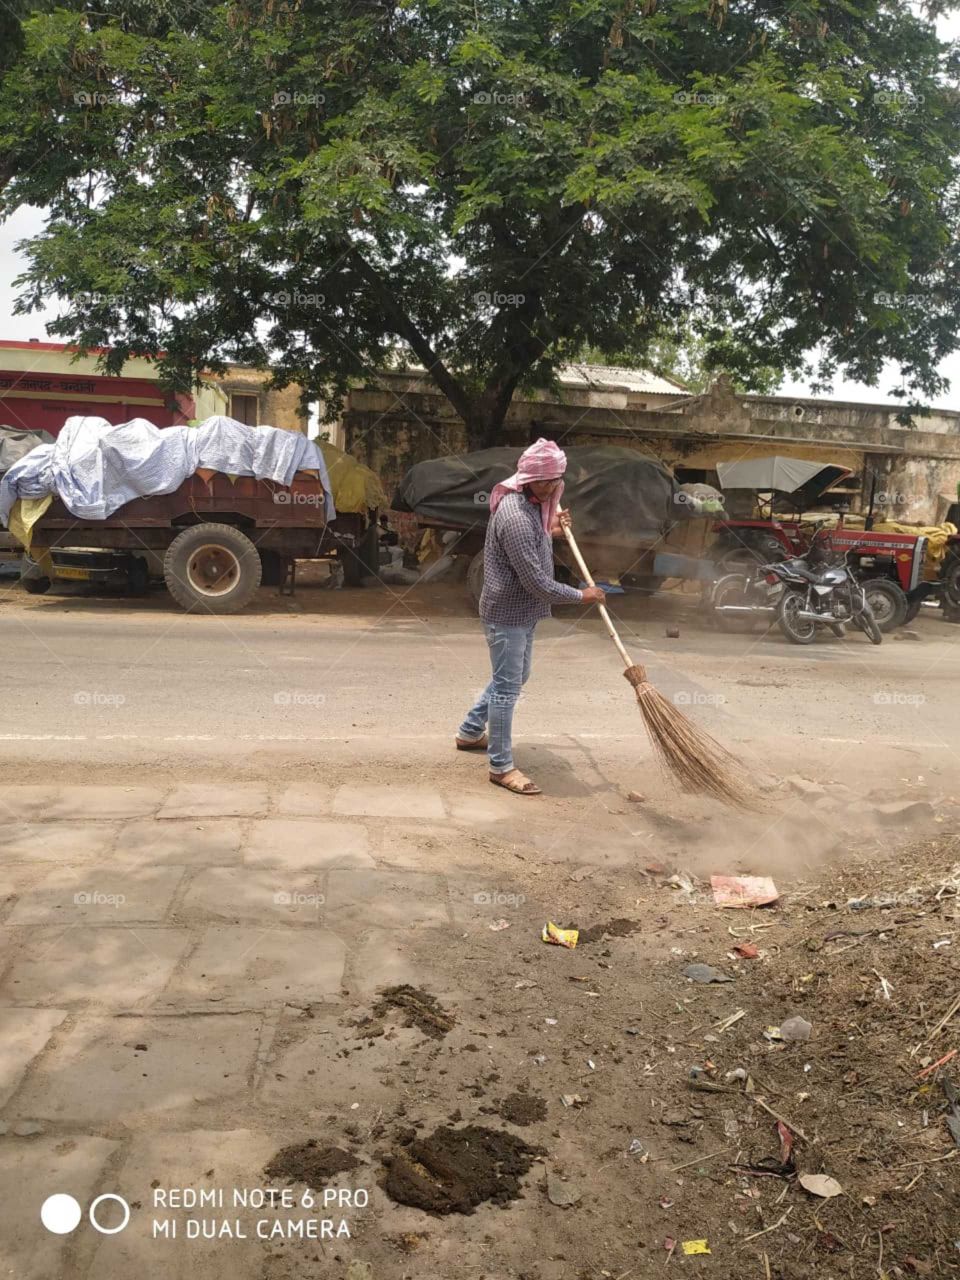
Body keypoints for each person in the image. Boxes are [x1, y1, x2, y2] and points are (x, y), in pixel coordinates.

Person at [455, 438, 605, 795]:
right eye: (547, 481)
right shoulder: (516, 516)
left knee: (516, 675)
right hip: (507, 612)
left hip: (520, 610)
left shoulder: (530, 505)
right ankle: (501, 767)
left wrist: (552, 529)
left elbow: (535, 540)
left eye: (557, 479)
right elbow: (538, 582)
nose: (554, 487)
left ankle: (469, 731)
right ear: (528, 479)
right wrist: (582, 595)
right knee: (507, 687)